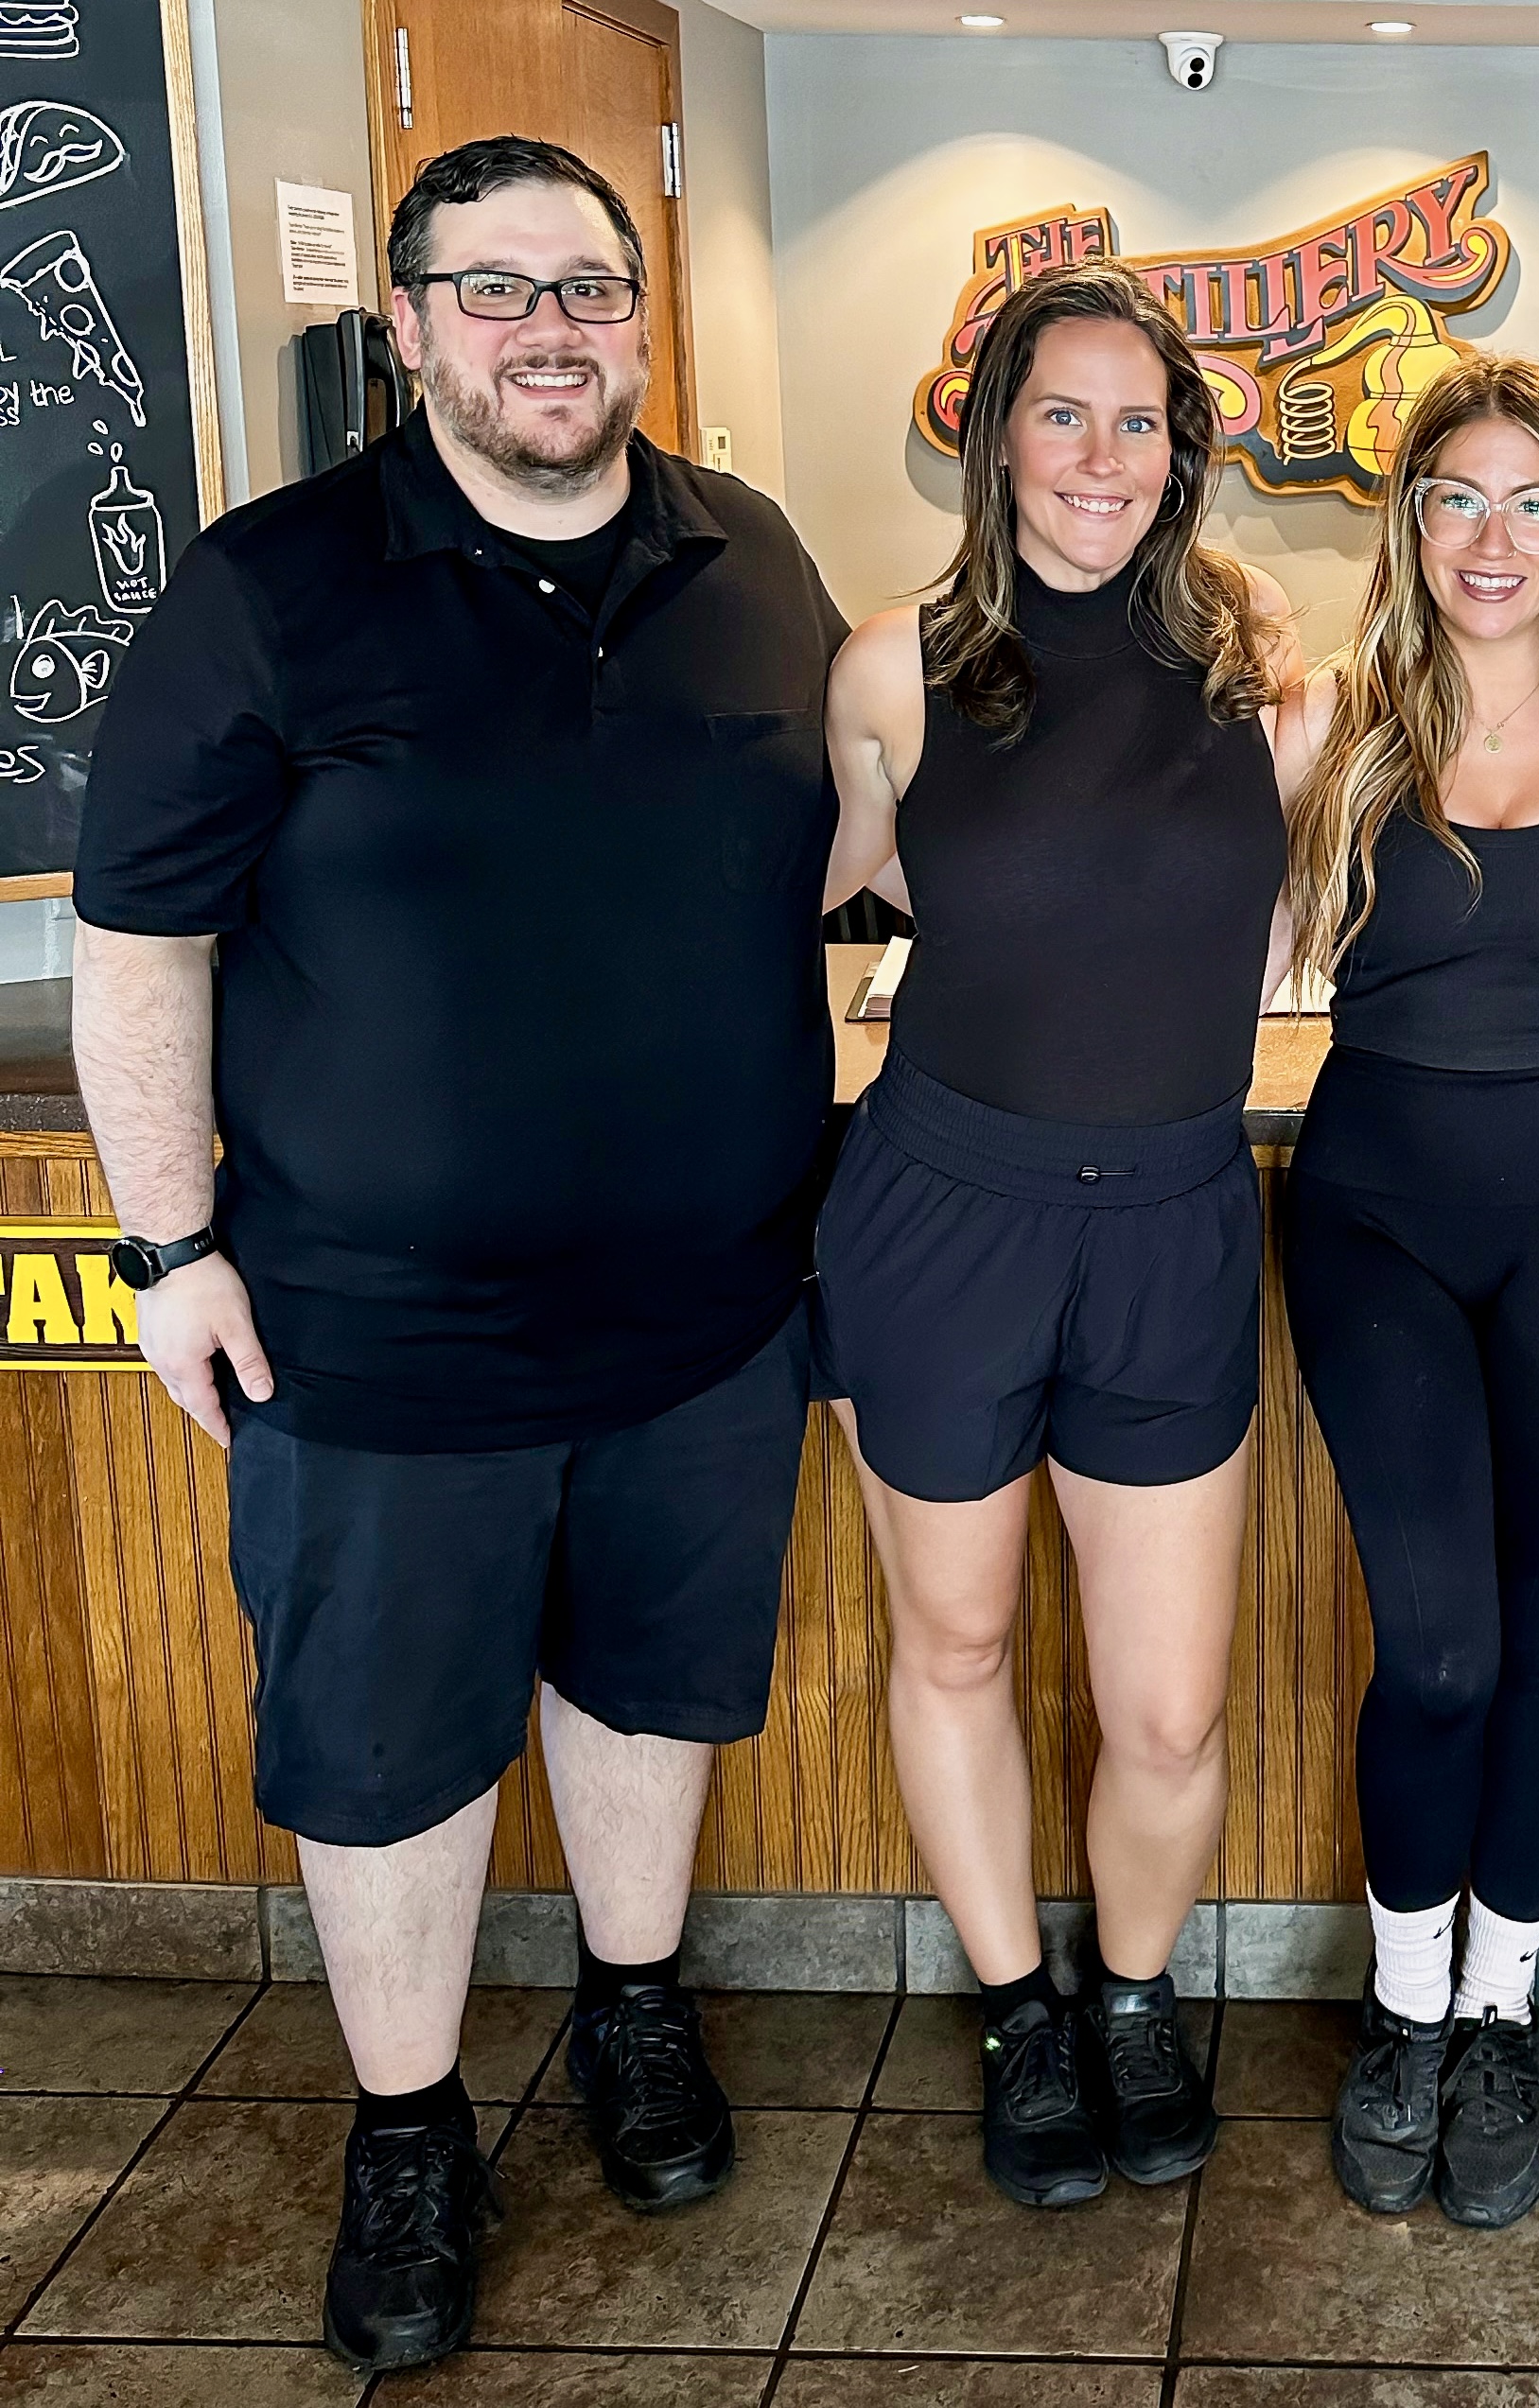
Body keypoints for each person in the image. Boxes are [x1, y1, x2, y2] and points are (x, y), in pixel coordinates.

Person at [70, 138, 847, 2371]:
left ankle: (628, 2010)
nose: (550, 329)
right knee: (389, 1745)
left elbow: (832, 843)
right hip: (373, 1326)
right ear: (405, 323)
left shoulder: (752, 552)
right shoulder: (266, 587)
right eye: (493, 290)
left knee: (646, 1690)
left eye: (591, 287)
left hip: (710, 1301)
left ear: (642, 315)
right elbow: (143, 946)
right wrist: (167, 1244)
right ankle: (407, 2131)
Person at [815, 260, 1296, 2211]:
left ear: (1185, 450)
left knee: (1168, 1698)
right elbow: (795, 920)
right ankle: (1018, 2009)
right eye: (1064, 411)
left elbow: (1291, 919)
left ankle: (1129, 1992)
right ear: (992, 429)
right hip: (941, 1215)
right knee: (962, 1636)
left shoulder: (1256, 657)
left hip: (1177, 1215)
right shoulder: (886, 665)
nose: (1106, 455)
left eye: (1142, 418)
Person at [1276, 354, 1539, 2229]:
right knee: (1435, 1642)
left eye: (1537, 499)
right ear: (1410, 517)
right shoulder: (1334, 723)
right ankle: (1404, 2004)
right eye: (1460, 496)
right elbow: (1168, 918)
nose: (1496, 536)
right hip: (1372, 1217)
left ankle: (1503, 2009)